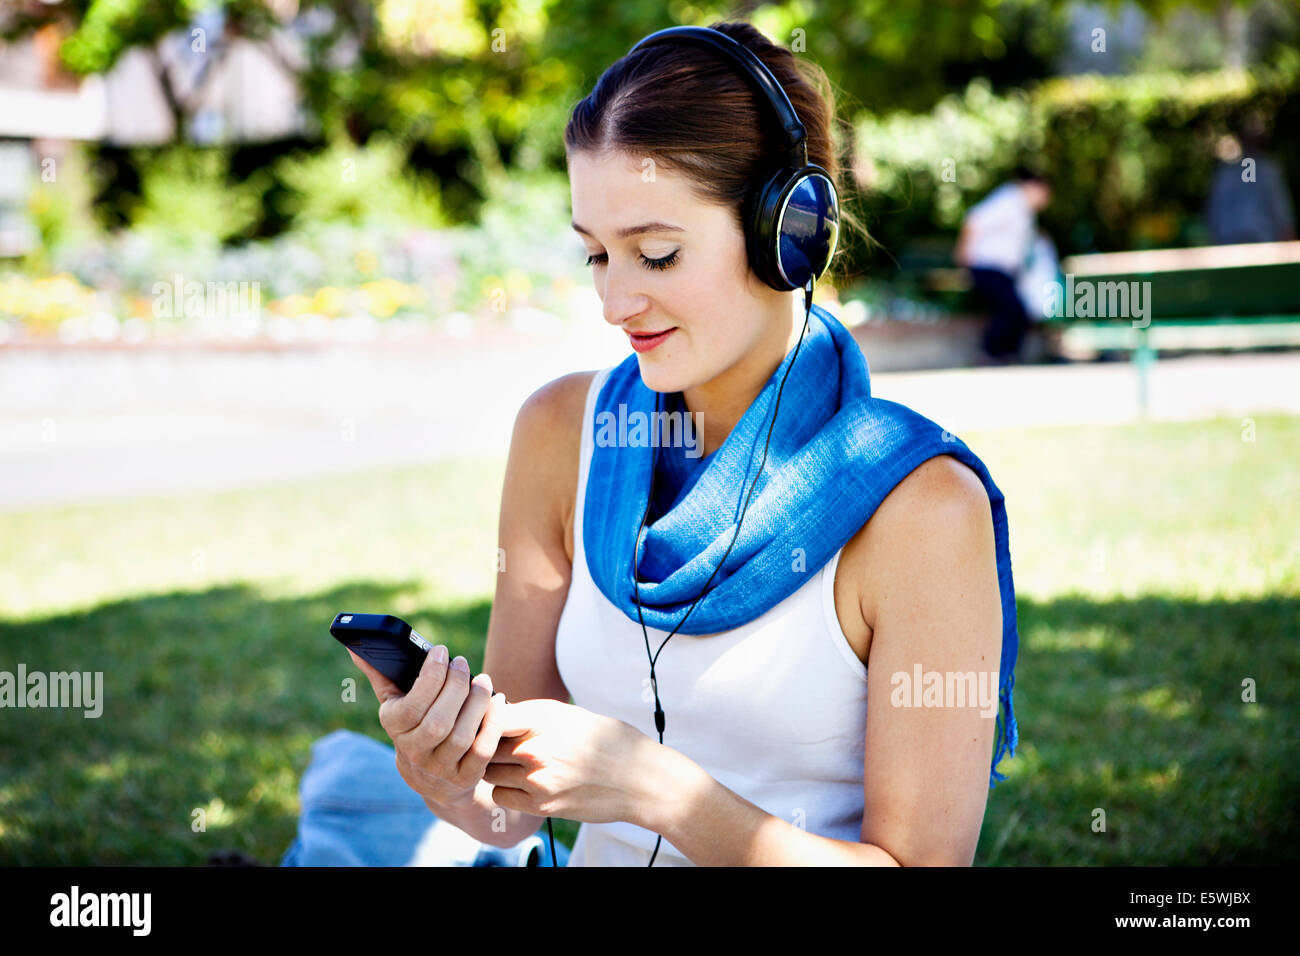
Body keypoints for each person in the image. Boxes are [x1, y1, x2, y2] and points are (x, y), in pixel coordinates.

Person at [283, 20, 1021, 868]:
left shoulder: (920, 510)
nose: (614, 301)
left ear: (791, 232)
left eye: (657, 254)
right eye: (597, 255)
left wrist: (656, 792)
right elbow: (507, 815)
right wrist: (445, 771)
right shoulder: (560, 434)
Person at [955, 168, 1052, 363]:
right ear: (1033, 187)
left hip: (1004, 271)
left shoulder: (1024, 210)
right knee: (1011, 308)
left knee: (1015, 309)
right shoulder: (1010, 200)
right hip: (987, 266)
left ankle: (1005, 354)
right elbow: (974, 220)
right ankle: (990, 353)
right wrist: (963, 253)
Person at [1204, 113, 1296, 246]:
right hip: (1236, 245)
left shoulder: (1266, 169)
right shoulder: (1227, 173)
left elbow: (1280, 208)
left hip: (1257, 245)